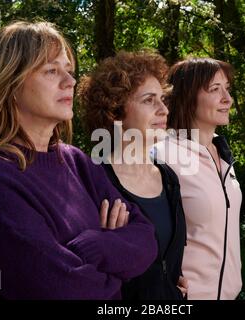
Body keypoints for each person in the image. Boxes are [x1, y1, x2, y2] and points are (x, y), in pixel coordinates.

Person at [0, 21, 157, 299]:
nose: (70, 81)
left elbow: (146, 238)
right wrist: (115, 263)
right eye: (51, 71)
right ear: (10, 83)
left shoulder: (75, 162)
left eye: (69, 71)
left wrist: (90, 248)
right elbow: (61, 289)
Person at [77, 51, 188, 300]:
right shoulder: (94, 182)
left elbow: (168, 261)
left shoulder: (169, 179)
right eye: (149, 100)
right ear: (115, 112)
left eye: (162, 99)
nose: (163, 109)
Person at [154, 57, 242, 300]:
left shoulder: (223, 156)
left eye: (227, 89)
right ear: (188, 97)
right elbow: (146, 231)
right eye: (215, 89)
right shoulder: (163, 153)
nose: (227, 99)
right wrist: (162, 282)